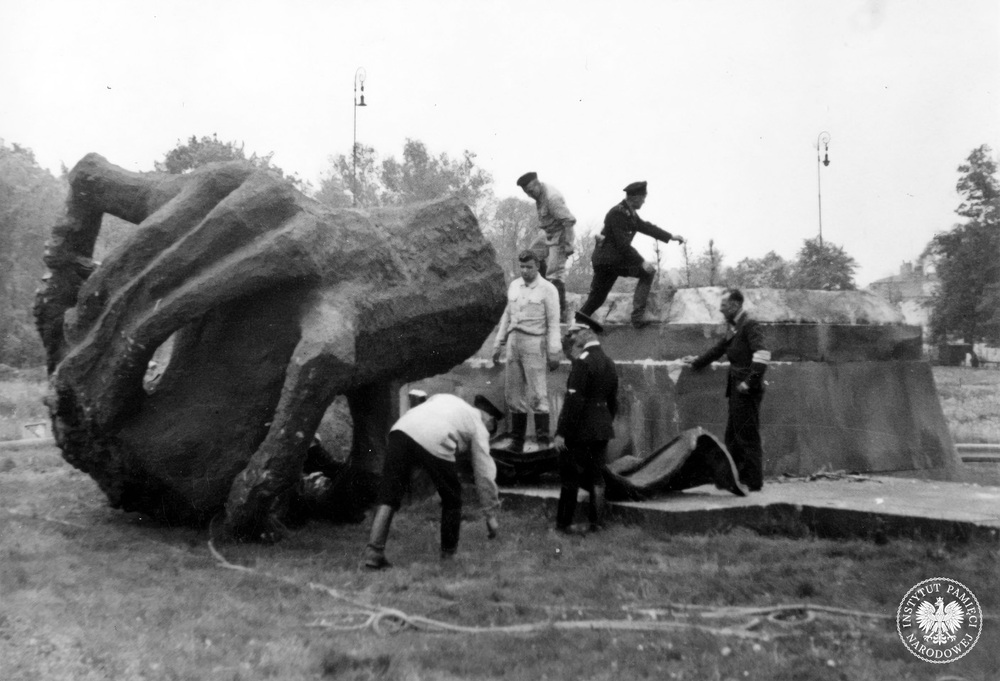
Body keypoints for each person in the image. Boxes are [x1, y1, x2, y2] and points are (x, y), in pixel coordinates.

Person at [362, 393, 504, 569]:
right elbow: (484, 473)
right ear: (490, 419)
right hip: (435, 437)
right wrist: (490, 515)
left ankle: (374, 553)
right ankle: (448, 558)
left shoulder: (448, 399)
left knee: (388, 494)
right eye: (491, 430)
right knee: (452, 499)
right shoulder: (479, 426)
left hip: (401, 430)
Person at [682, 289, 770, 491]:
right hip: (737, 389)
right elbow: (719, 349)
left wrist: (750, 382)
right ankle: (735, 478)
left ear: (736, 305)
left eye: (724, 305)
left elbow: (763, 354)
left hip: (746, 389)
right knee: (732, 435)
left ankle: (753, 481)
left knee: (746, 435)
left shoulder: (750, 324)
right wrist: (696, 362)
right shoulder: (735, 326)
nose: (720, 309)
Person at [579, 181, 685, 328]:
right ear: (634, 197)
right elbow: (622, 245)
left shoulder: (630, 214)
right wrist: (641, 262)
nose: (644, 201)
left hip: (610, 262)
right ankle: (637, 317)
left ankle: (577, 324)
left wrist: (670, 236)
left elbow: (647, 227)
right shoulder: (618, 213)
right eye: (643, 198)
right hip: (609, 261)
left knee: (597, 298)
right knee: (647, 272)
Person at [553, 311, 619, 533]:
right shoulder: (609, 363)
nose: (573, 338)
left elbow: (574, 401)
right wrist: (604, 422)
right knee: (597, 477)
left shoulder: (583, 363)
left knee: (570, 476)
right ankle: (597, 524)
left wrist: (562, 432)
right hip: (601, 428)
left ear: (588, 332)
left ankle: (564, 524)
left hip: (580, 430)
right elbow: (613, 402)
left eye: (576, 333)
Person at [492, 250, 563, 453]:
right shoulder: (514, 285)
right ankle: (517, 441)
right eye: (522, 267)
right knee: (513, 394)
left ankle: (542, 442)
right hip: (514, 341)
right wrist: (499, 343)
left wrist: (554, 350)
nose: (525, 271)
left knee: (538, 393)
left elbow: (553, 322)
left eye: (529, 267)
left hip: (535, 342)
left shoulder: (548, 289)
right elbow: (507, 315)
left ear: (537, 266)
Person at [517, 172, 577, 322]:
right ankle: (539, 292)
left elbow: (568, 221)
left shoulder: (552, 198)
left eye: (531, 190)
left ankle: (558, 313)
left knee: (555, 273)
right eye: (526, 192)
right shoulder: (539, 195)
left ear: (537, 183)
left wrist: (569, 244)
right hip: (548, 232)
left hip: (561, 233)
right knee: (530, 256)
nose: (529, 194)